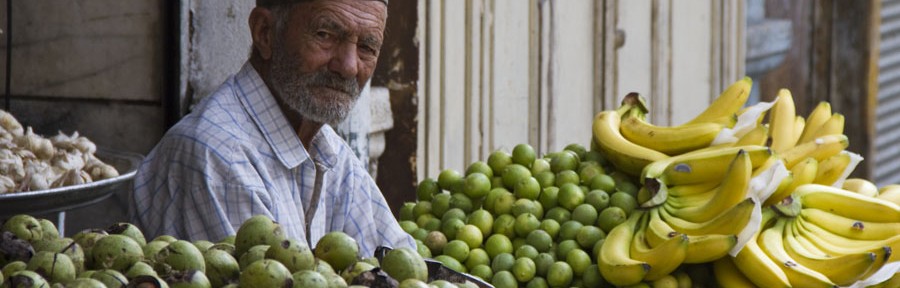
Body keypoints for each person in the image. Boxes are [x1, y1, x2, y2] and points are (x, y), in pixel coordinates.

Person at [128, 0, 414, 257]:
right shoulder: (219, 156)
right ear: (265, 32)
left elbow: (400, 263)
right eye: (325, 35)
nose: (349, 66)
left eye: (367, 47)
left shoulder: (327, 149)